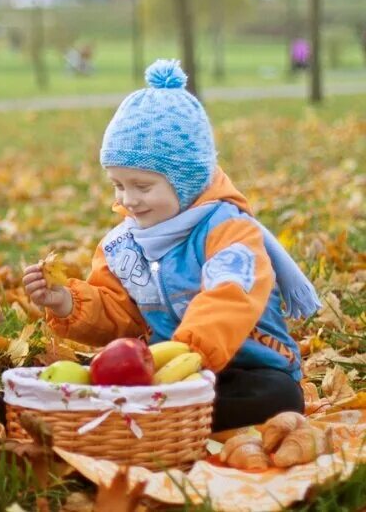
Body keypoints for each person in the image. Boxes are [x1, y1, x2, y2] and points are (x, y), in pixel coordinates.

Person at [18, 59, 320, 432]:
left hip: (244, 367)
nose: (128, 200)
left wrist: (187, 353)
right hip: (161, 375)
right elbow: (120, 314)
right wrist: (65, 301)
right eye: (118, 185)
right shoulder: (122, 245)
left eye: (142, 186)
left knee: (277, 397)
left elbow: (231, 296)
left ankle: (132, 422)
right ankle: (32, 410)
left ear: (187, 180)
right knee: (91, 377)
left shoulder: (229, 231)